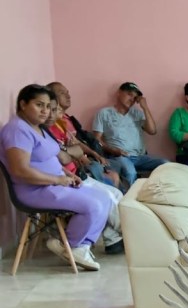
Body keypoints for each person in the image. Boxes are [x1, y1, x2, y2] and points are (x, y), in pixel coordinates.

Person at [1, 85, 112, 271]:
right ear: (23, 104)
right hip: (34, 190)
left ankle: (80, 246)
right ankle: (71, 244)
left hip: (55, 183)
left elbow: (49, 158)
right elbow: (20, 170)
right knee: (93, 205)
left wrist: (68, 174)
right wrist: (58, 180)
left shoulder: (38, 127)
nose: (45, 111)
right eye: (39, 105)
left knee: (105, 198)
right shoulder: (17, 130)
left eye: (47, 106)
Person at [43, 101, 124, 255]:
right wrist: (72, 151)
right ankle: (127, 235)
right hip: (65, 181)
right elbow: (65, 158)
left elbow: (77, 149)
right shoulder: (44, 132)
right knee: (106, 196)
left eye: (56, 109)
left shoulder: (61, 125)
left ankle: (113, 239)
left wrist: (74, 151)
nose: (54, 113)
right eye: (53, 109)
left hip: (77, 175)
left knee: (116, 193)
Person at [46, 82, 119, 188]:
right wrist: (74, 152)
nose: (68, 96)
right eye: (62, 93)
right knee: (107, 174)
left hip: (82, 163)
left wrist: (94, 154)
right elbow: (64, 156)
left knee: (115, 173)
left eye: (68, 92)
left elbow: (76, 145)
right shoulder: (48, 128)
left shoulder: (64, 121)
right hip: (76, 169)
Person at [92, 81, 166, 186]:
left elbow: (152, 131)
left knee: (165, 164)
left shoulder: (137, 114)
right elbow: (96, 140)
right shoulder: (104, 113)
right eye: (129, 94)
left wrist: (145, 107)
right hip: (118, 157)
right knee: (130, 172)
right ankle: (128, 200)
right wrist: (113, 150)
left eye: (135, 97)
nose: (132, 99)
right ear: (119, 93)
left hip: (140, 157)